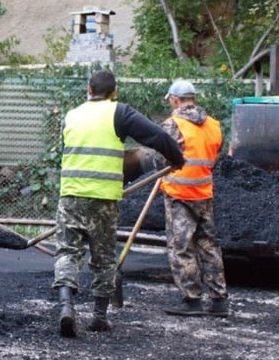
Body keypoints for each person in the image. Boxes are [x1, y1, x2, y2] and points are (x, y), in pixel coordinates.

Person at [53, 70, 185, 338]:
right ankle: (99, 317)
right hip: (103, 199)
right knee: (103, 258)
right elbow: (157, 137)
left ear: (89, 89)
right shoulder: (119, 113)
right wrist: (177, 159)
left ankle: (66, 307)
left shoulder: (72, 115)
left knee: (67, 252)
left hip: (70, 196)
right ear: (114, 92)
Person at [159, 80, 229, 317]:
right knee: (209, 245)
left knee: (182, 247)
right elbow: (214, 156)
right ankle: (219, 300)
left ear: (176, 100)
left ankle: (192, 300)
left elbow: (161, 160)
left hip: (179, 195)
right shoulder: (214, 125)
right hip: (204, 193)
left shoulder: (172, 125)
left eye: (170, 99)